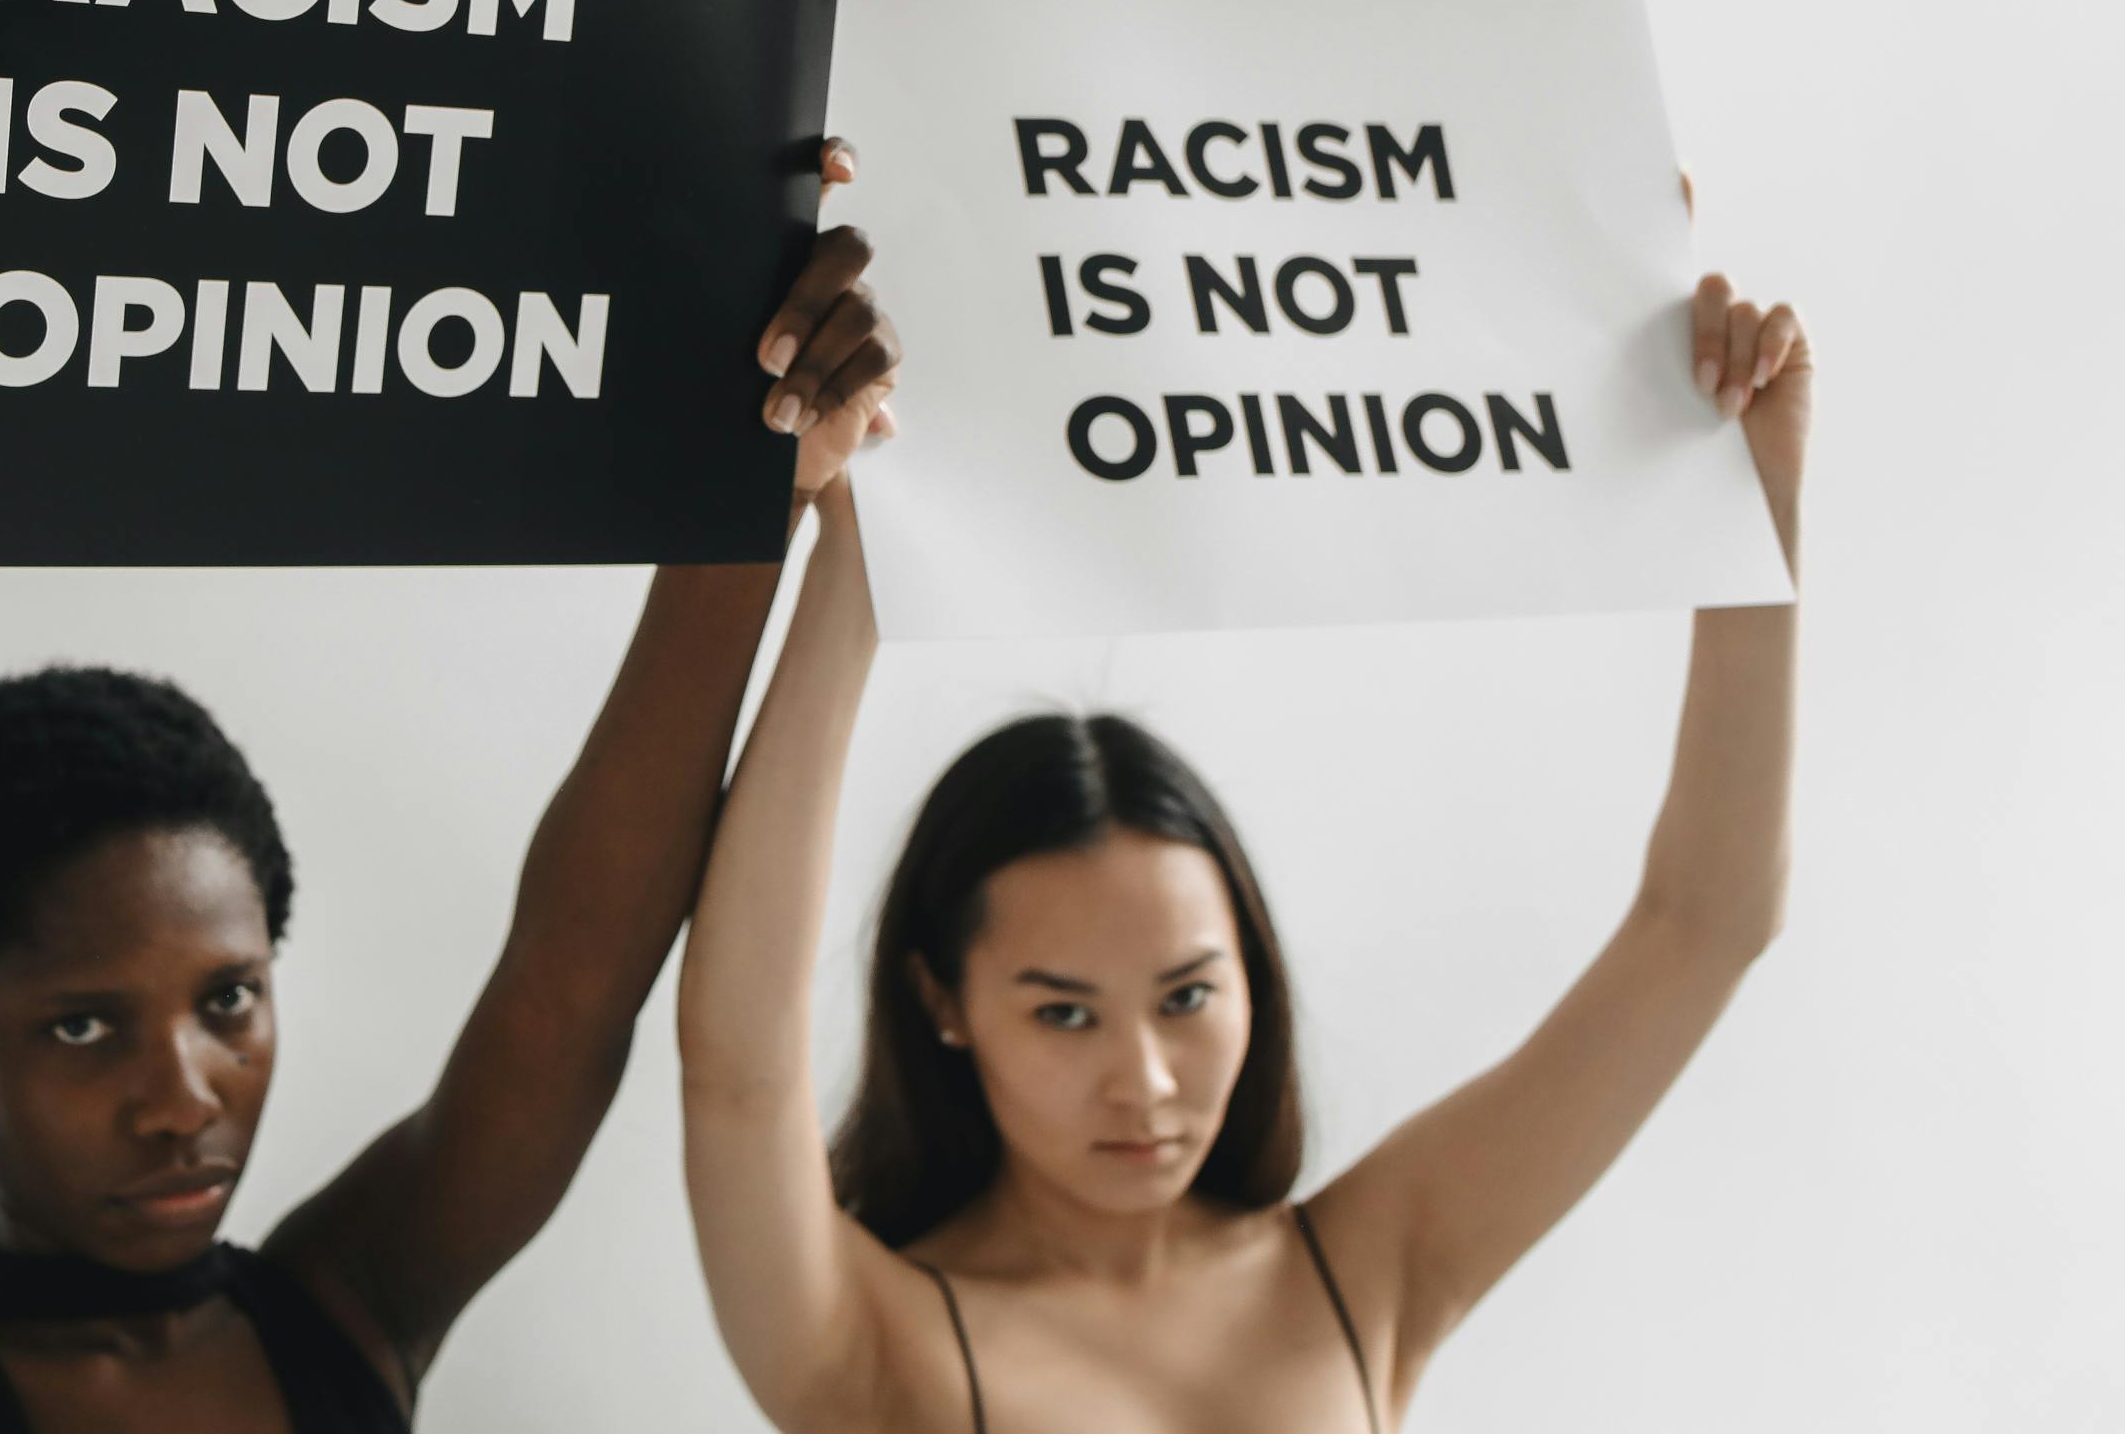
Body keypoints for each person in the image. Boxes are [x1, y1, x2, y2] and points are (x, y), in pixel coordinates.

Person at [0, 131, 899, 1433]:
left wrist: (748, 477)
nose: (184, 1098)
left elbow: (575, 982)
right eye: (85, 1028)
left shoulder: (357, 1307)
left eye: (227, 999)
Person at [677, 245, 1808, 1433]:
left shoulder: (1368, 1269)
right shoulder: (871, 1341)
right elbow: (740, 1063)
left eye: (1187, 995)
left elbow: (1707, 921)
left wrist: (1751, 490)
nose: (1147, 1081)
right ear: (943, 1000)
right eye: (1063, 1009)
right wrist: (864, 545)